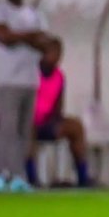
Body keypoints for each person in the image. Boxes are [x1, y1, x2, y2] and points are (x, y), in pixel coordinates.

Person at [0, 0, 50, 192]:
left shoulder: (34, 13)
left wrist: (20, 36)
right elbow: (4, 38)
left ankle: (17, 175)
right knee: (8, 129)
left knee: (24, 131)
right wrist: (30, 36)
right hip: (6, 80)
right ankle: (2, 174)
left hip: (29, 80)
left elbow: (45, 43)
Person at [28, 37, 91, 187]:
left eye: (58, 53)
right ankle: (31, 177)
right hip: (29, 122)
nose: (55, 57)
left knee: (76, 126)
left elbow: (58, 104)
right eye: (51, 52)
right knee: (29, 130)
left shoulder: (59, 76)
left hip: (47, 122)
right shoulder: (31, 73)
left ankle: (83, 177)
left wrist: (56, 120)